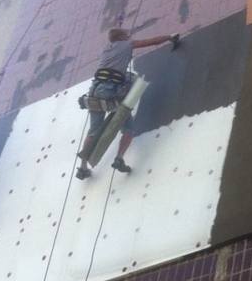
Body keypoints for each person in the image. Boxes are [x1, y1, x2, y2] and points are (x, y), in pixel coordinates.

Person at [76, 27, 179, 179]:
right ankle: (119, 158)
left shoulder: (106, 49)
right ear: (122, 37)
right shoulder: (127, 44)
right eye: (127, 35)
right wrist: (170, 36)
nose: (129, 36)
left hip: (94, 93)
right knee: (128, 128)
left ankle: (82, 167)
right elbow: (151, 42)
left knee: (93, 131)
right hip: (109, 92)